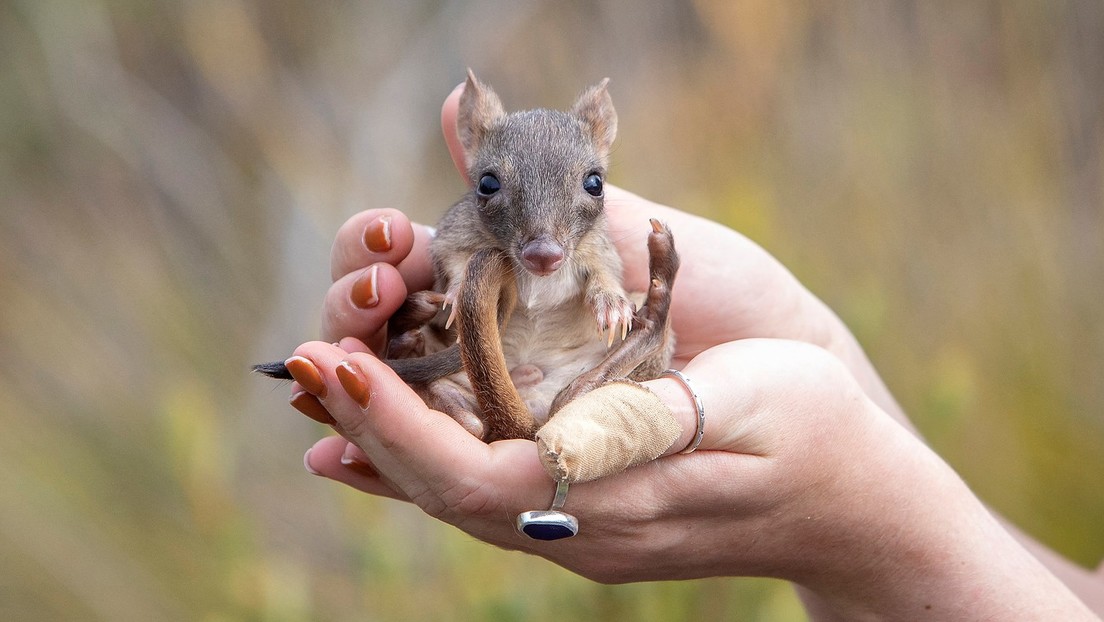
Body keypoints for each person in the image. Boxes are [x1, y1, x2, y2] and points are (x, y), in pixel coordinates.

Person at [276, 83, 1104, 620]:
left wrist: (872, 520)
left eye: (585, 197)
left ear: (603, 149)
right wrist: (816, 348)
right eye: (496, 192)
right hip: (507, 370)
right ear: (479, 161)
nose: (542, 240)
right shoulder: (476, 236)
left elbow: (601, 268)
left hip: (568, 371)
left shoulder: (593, 246)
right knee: (425, 353)